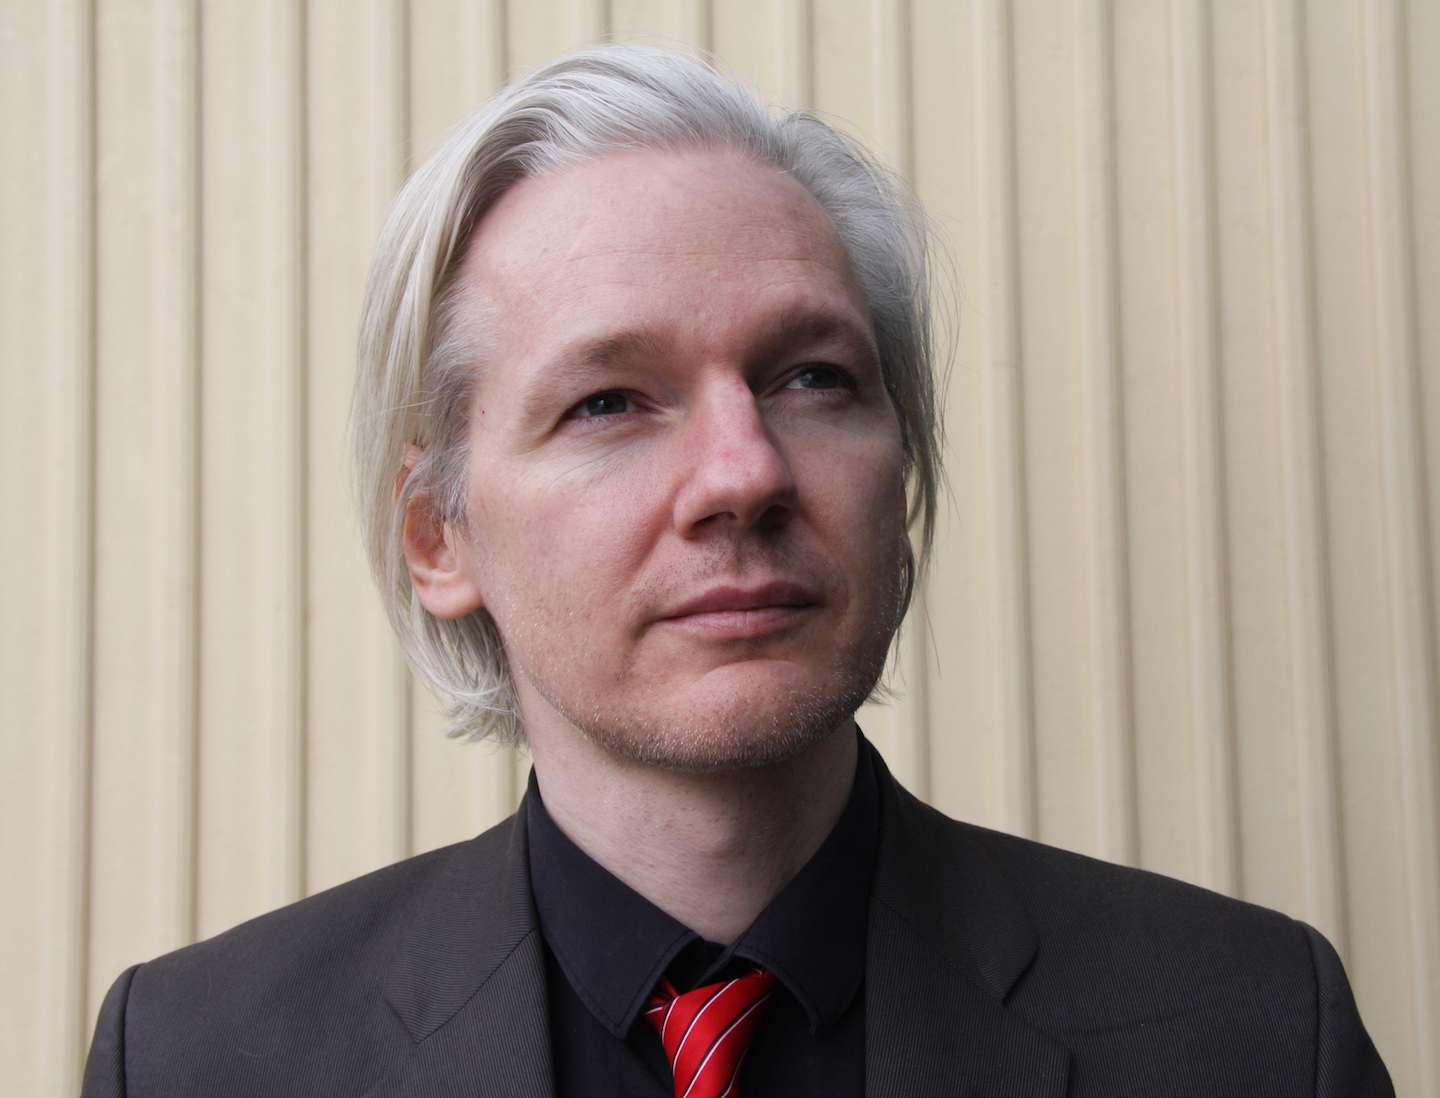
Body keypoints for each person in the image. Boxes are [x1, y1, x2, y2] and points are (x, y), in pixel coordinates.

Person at [81, 44, 1391, 1098]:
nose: (743, 472)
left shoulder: (1260, 1033)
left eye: (812, 377)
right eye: (608, 401)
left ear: (902, 478)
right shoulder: (199, 1060)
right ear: (440, 536)